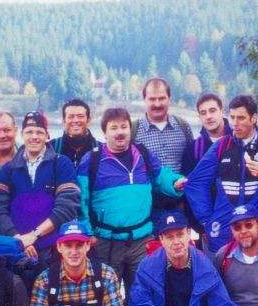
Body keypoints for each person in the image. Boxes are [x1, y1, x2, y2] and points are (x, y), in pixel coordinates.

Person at [77, 107, 186, 292]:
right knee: (106, 295)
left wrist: (175, 183)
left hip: (141, 241)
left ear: (130, 129)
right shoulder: (92, 160)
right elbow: (81, 200)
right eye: (113, 128)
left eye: (123, 126)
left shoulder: (142, 154)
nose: (119, 132)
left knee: (142, 292)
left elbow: (160, 177)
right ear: (104, 132)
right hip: (106, 242)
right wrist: (87, 233)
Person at [185, 94, 258, 253]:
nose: (235, 123)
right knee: (224, 277)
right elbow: (196, 183)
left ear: (254, 118)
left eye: (241, 118)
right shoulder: (222, 145)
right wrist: (207, 220)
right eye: (232, 117)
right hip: (225, 232)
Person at [0, 111, 80, 269]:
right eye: (29, 132)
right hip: (17, 251)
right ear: (21, 134)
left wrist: (34, 235)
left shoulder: (61, 164)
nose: (34, 137)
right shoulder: (7, 169)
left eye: (39, 132)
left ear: (47, 135)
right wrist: (19, 241)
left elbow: (67, 207)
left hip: (54, 251)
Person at [132, 78, 194, 217]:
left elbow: (192, 163)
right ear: (144, 100)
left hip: (180, 205)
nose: (157, 104)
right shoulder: (133, 131)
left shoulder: (183, 126)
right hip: (148, 207)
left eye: (162, 98)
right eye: (152, 99)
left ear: (169, 99)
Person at [182, 93, 232, 175]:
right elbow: (190, 183)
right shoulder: (193, 149)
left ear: (222, 112)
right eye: (203, 113)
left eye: (212, 111)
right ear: (199, 117)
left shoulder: (239, 141)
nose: (208, 116)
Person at [50, 98, 100, 168]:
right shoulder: (52, 147)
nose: (76, 120)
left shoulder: (100, 149)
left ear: (88, 120)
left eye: (80, 116)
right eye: (71, 117)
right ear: (63, 121)